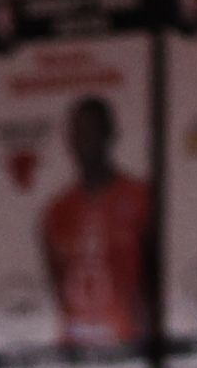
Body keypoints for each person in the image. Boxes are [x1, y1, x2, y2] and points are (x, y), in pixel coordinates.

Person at [38, 93, 151, 354]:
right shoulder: (55, 211)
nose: (84, 143)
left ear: (109, 134)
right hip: (74, 349)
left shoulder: (141, 197)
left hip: (130, 345)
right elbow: (57, 287)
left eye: (91, 132)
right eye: (77, 134)